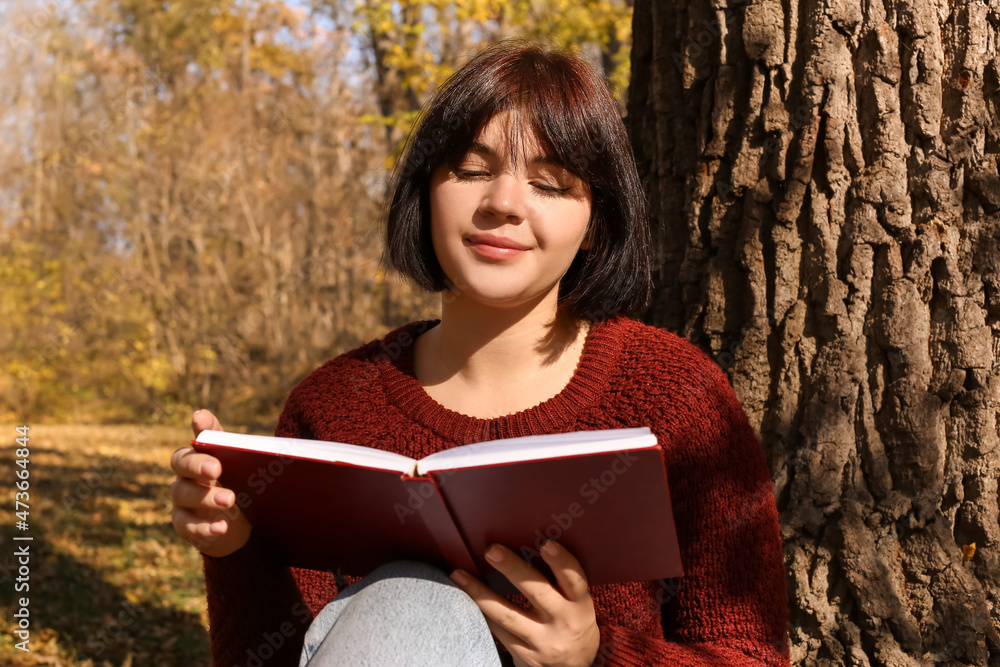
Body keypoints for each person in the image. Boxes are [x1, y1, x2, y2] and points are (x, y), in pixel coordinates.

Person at [169, 39, 791, 666]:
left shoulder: (675, 395)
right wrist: (234, 550)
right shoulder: (331, 406)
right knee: (409, 603)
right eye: (471, 170)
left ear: (595, 222)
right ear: (427, 190)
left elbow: (751, 656)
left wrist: (596, 656)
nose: (504, 204)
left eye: (549, 183)